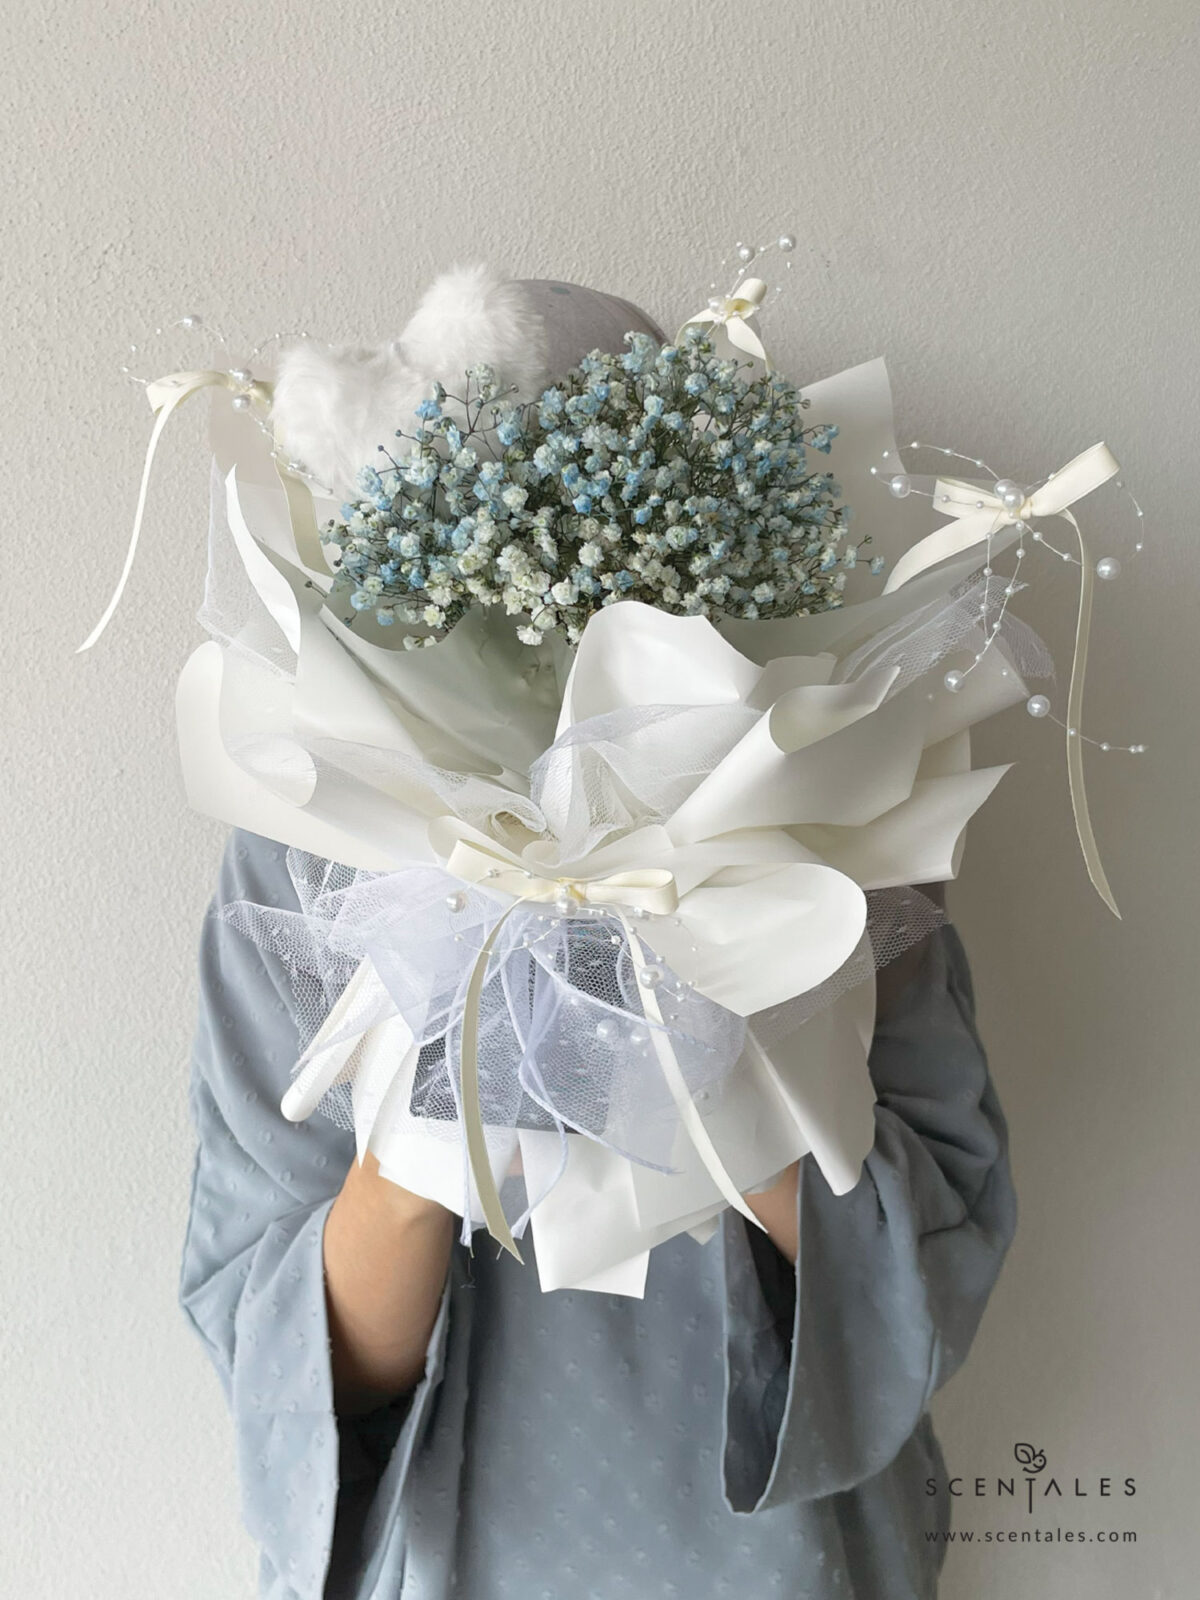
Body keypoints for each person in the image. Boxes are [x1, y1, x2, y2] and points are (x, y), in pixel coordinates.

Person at [179, 825, 1016, 1599]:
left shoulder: (832, 793)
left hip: (795, 1562)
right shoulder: (306, 826)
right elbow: (286, 1359)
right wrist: (434, 1124)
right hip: (451, 1561)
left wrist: (701, 1037)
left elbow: (931, 1274)